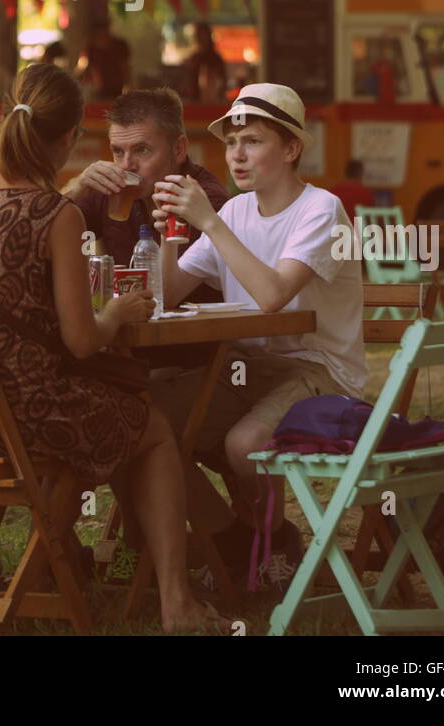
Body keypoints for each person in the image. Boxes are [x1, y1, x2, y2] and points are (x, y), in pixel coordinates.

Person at [0, 62, 228, 632]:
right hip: (19, 422)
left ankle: (54, 569)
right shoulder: (56, 214)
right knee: (152, 432)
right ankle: (177, 604)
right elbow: (82, 340)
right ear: (71, 138)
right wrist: (116, 311)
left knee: (110, 415)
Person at [150, 83, 366, 594]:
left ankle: (274, 542)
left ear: (290, 149)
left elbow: (271, 296)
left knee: (245, 445)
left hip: (318, 372)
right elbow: (170, 292)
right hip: (242, 366)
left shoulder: (321, 210)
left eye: (253, 141)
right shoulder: (236, 213)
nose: (238, 155)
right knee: (140, 425)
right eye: (231, 143)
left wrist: (208, 220)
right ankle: (239, 542)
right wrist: (169, 234)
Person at [62, 87, 228, 268]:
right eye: (118, 151)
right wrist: (76, 188)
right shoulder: (111, 189)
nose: (126, 165)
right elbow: (42, 237)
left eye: (141, 150)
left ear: (178, 149)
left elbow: (171, 292)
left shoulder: (207, 202)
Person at [74, 22, 131, 99]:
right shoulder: (90, 48)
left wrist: (128, 84)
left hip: (116, 87)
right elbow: (82, 66)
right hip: (98, 89)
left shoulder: (119, 46)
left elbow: (125, 67)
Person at [181, 23, 227, 103]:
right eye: (199, 36)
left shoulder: (216, 59)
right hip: (195, 102)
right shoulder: (194, 58)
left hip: (213, 102)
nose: (201, 39)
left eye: (203, 36)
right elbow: (188, 81)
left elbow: (221, 81)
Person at [330, 159, 375, 223]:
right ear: (360, 173)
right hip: (358, 230)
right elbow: (371, 217)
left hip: (338, 230)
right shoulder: (365, 192)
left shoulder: (334, 190)